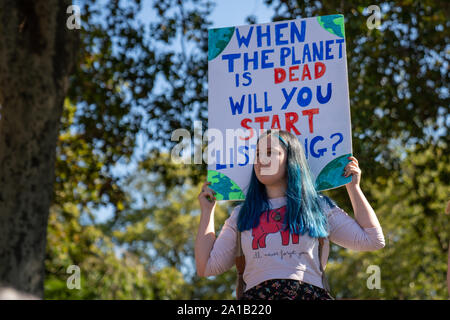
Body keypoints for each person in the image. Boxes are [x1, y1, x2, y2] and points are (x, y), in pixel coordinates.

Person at [195, 129, 385, 300]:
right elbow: (207, 267)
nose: (261, 160)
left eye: (270, 153)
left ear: (291, 159)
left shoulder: (318, 206)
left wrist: (353, 188)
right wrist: (207, 212)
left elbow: (373, 240)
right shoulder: (241, 214)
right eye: (258, 154)